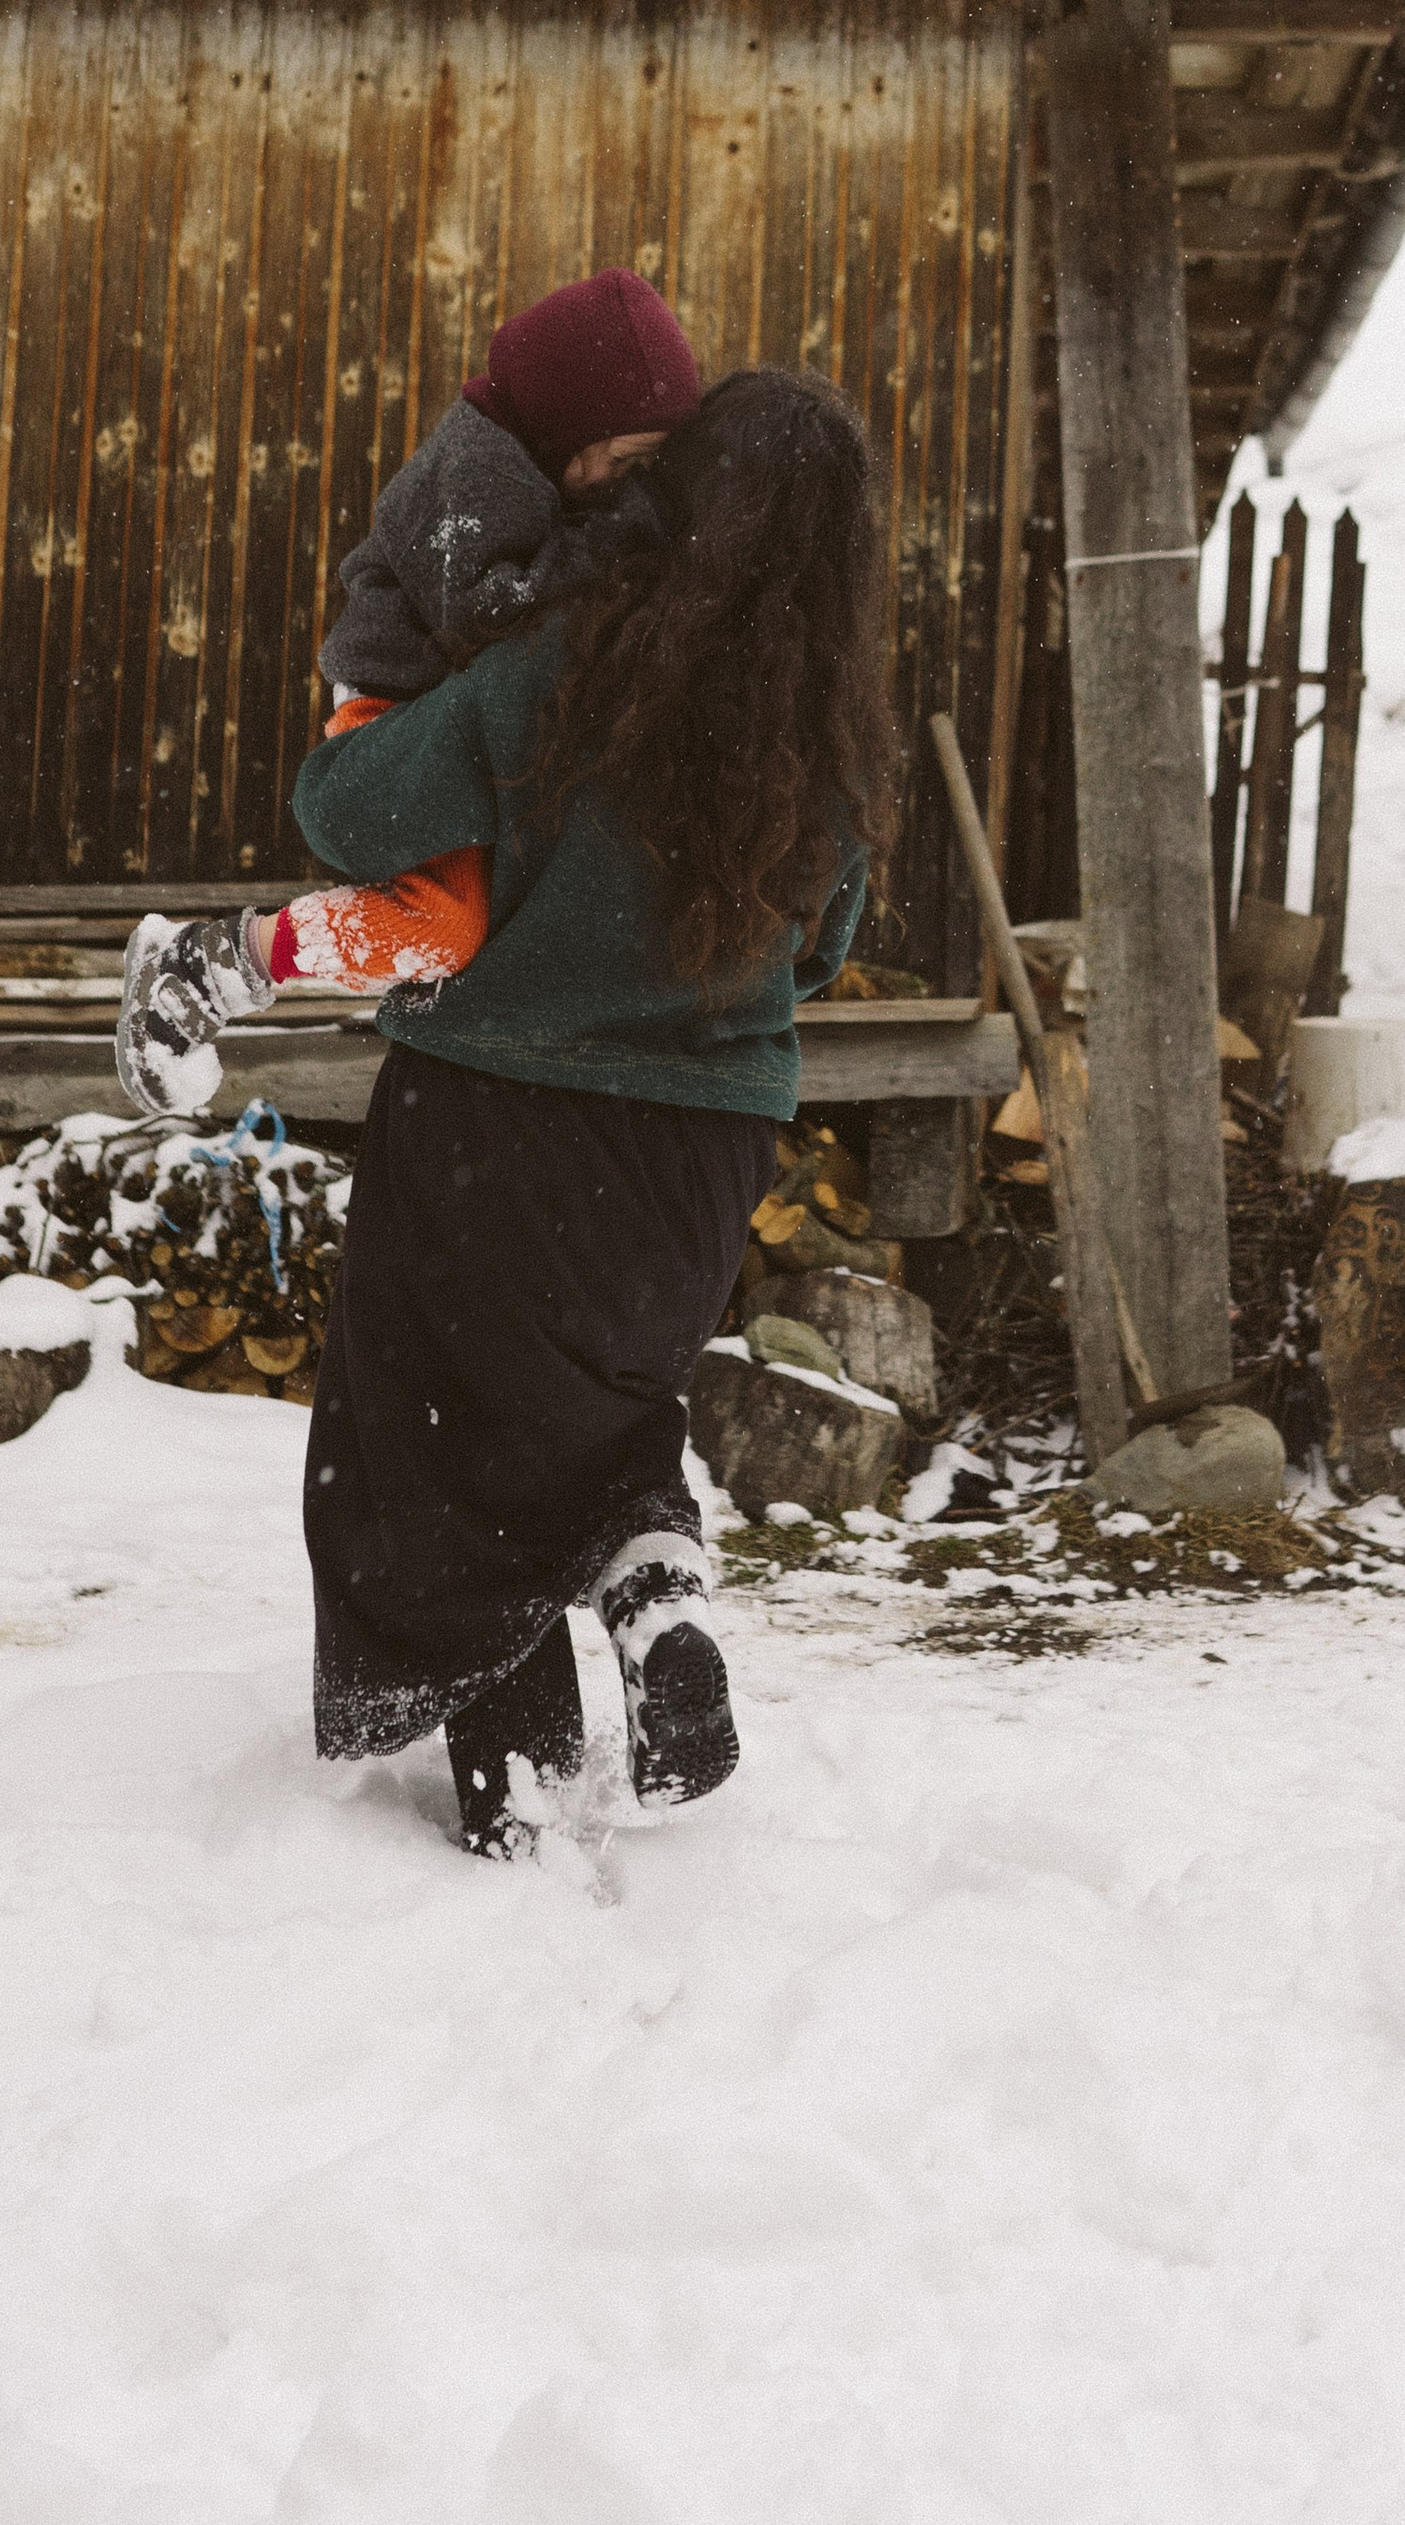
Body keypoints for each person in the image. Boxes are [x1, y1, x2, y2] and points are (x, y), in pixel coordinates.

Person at [288, 366, 895, 1857]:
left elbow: (351, 814)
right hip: (703, 1152)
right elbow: (822, 943)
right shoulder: (825, 733)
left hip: (498, 1120)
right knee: (595, 1406)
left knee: (435, 1445)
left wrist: (394, 687)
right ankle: (657, 1592)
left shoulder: (565, 663)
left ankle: (523, 1804)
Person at [115, 270, 701, 1106]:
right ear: (570, 425)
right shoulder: (476, 471)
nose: (626, 482)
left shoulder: (547, 464)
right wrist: (627, 541)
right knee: (443, 922)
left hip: (457, 717)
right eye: (625, 459)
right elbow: (494, 614)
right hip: (393, 709)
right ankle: (211, 966)